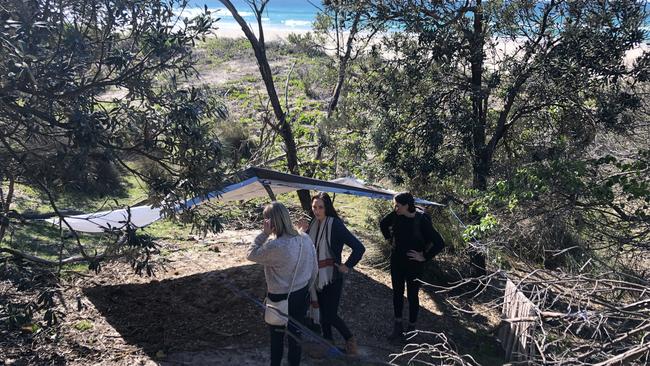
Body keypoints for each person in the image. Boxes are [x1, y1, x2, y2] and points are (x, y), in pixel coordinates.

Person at [247, 202, 318, 366]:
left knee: (277, 338)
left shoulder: (275, 246)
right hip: (301, 294)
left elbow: (250, 254)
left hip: (278, 298)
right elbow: (314, 269)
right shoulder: (305, 238)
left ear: (270, 222)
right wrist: (307, 288)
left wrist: (263, 234)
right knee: (296, 336)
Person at [300, 192, 365, 356]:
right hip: (316, 277)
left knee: (329, 314)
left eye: (320, 207)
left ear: (327, 208)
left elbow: (359, 248)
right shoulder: (313, 223)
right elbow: (306, 247)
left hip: (332, 277)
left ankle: (350, 340)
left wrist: (347, 265)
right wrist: (302, 232)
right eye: (314, 207)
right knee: (322, 315)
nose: (317, 210)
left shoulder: (335, 224)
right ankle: (328, 344)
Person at [379, 192, 445, 341]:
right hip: (396, 261)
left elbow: (439, 242)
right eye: (395, 205)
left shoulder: (421, 220)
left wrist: (424, 256)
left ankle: (411, 329)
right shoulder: (396, 215)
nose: (395, 208)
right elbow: (383, 224)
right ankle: (397, 326)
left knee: (412, 295)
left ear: (407, 206)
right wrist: (390, 240)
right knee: (397, 293)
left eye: (398, 206)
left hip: (414, 265)